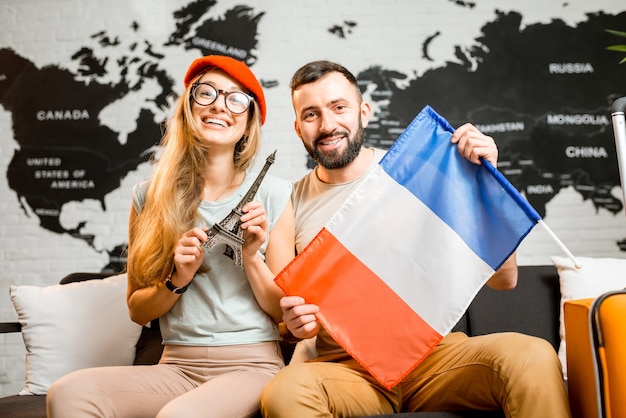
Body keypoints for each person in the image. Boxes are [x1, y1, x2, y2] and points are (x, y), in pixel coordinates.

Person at [259, 60, 571, 418]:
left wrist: (485, 184)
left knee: (532, 355)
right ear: (298, 127)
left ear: (364, 112)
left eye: (338, 107)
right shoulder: (288, 201)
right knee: (284, 392)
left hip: (434, 356)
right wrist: (297, 326)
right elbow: (288, 321)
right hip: (347, 368)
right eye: (311, 114)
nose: (328, 125)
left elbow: (505, 279)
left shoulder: (420, 177)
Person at [46, 55, 295, 418]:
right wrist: (176, 279)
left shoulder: (273, 194)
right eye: (205, 93)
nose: (219, 106)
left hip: (252, 365)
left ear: (249, 123)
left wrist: (253, 256)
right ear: (188, 108)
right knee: (68, 393)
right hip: (177, 366)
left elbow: (283, 312)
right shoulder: (148, 197)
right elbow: (137, 309)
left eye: (235, 98)